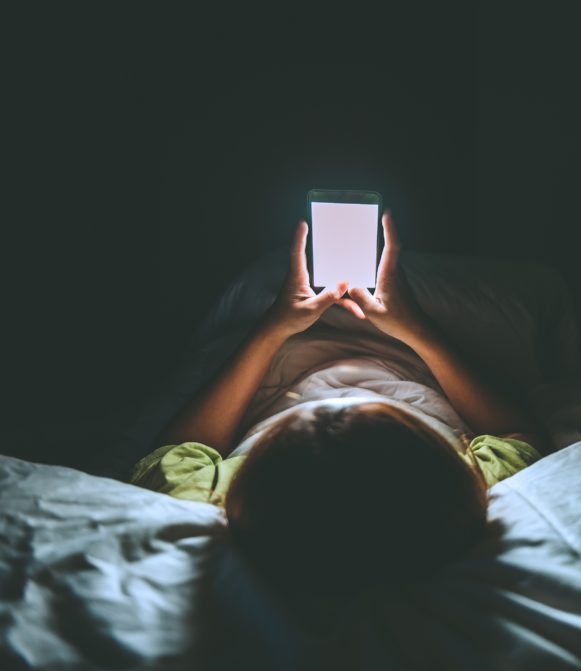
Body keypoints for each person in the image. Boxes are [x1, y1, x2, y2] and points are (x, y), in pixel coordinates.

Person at [130, 211, 550, 623]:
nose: (339, 411)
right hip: (408, 350)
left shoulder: (222, 494)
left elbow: (177, 450)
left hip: (281, 357)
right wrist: (415, 327)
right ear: (428, 456)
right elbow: (519, 431)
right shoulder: (459, 481)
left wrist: (273, 327)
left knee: (265, 273)